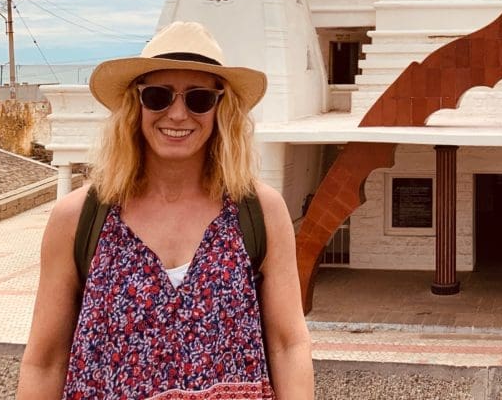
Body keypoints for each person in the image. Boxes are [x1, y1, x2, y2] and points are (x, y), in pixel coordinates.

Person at [17, 21, 314, 400]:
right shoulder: (78, 219)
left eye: (198, 99)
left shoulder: (258, 213)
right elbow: (45, 360)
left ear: (221, 108)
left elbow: (289, 344)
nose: (177, 114)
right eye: (158, 96)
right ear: (135, 105)